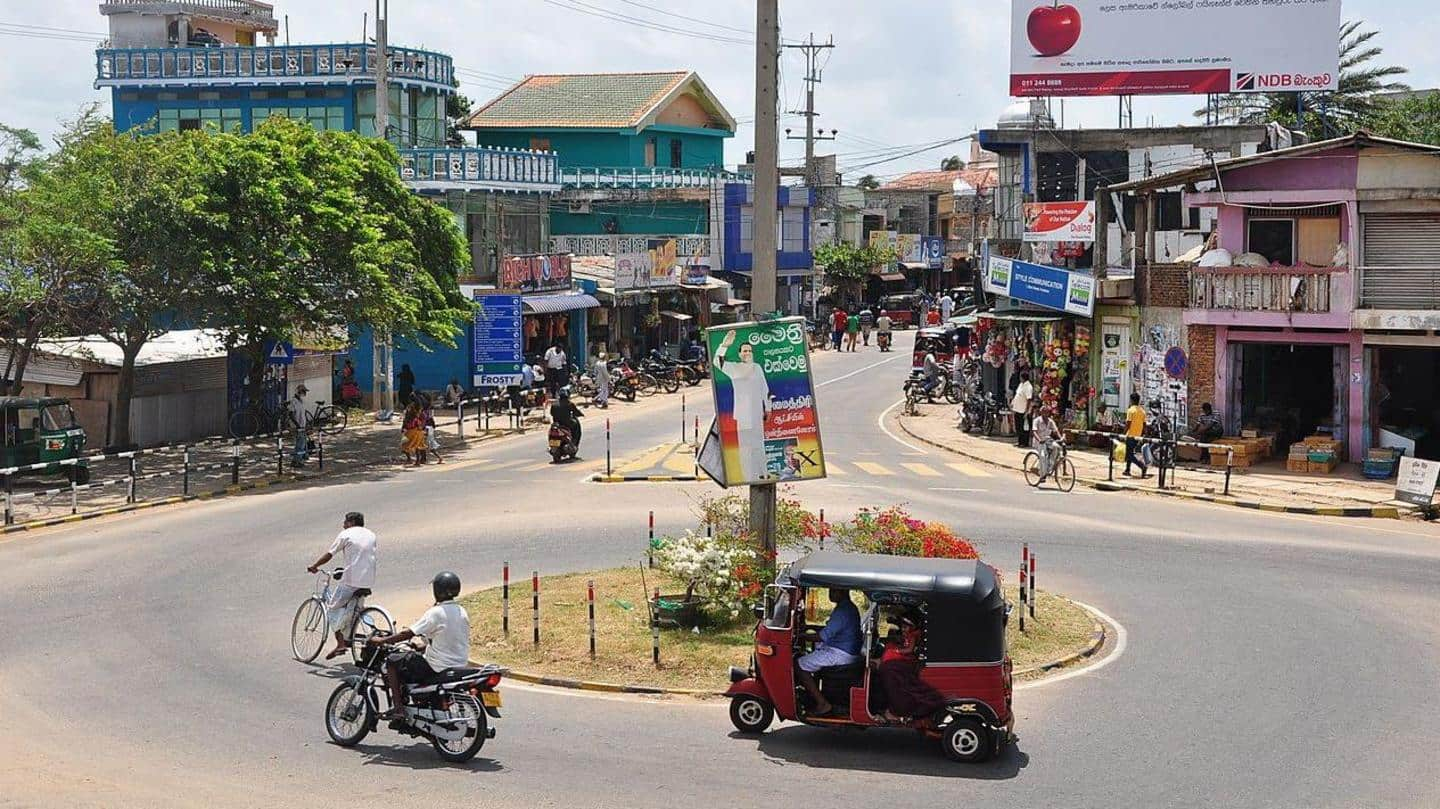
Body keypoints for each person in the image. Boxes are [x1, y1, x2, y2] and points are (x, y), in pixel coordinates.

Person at [368, 571, 471, 720]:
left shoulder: (436, 612)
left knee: (392, 660)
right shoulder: (462, 611)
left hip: (436, 667)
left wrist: (382, 641)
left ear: (437, 591)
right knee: (411, 659)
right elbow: (448, 638)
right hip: (459, 665)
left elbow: (408, 634)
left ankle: (398, 709)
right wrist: (422, 647)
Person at [306, 512, 378, 661]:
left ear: (351, 522)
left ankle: (340, 643)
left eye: (345, 522)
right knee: (354, 610)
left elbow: (329, 554)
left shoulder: (346, 534)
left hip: (351, 580)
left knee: (332, 608)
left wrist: (315, 566)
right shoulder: (371, 534)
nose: (343, 525)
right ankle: (351, 635)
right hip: (368, 580)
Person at [714, 329, 772, 482]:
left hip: (756, 413)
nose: (747, 353)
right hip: (742, 415)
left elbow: (764, 389)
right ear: (739, 354)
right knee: (745, 448)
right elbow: (717, 361)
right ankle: (748, 477)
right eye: (744, 351)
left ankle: (763, 474)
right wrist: (724, 345)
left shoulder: (757, 368)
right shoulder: (734, 368)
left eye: (749, 350)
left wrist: (768, 408)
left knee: (759, 444)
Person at [796, 589, 863, 716]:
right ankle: (815, 697)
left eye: (834, 591)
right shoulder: (847, 607)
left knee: (800, 664)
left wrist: (799, 636)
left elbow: (822, 637)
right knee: (813, 655)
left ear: (842, 592)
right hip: (845, 649)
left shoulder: (842, 611)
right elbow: (831, 630)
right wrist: (809, 629)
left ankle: (822, 703)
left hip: (841, 652)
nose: (830, 594)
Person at [874, 612, 946, 723]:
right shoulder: (908, 635)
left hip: (909, 659)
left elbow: (909, 650)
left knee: (889, 667)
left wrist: (897, 650)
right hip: (908, 657)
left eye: (905, 627)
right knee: (889, 652)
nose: (903, 629)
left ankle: (897, 709)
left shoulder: (912, 636)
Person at [1032, 410, 1063, 483]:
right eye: (1044, 412)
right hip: (1039, 442)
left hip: (1048, 441)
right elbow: (1034, 431)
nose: (1046, 414)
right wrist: (1039, 440)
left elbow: (1056, 431)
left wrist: (1060, 438)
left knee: (1056, 448)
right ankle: (1042, 475)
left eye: (1047, 412)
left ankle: (1049, 468)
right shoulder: (1037, 420)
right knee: (1043, 456)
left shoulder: (1050, 421)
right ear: (1041, 413)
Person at [549, 388, 584, 452]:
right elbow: (576, 412)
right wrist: (581, 414)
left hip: (557, 424)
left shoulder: (554, 404)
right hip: (567, 423)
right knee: (576, 426)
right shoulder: (569, 403)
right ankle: (574, 443)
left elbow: (551, 413)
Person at [1124, 392, 1149, 478]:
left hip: (1130, 435)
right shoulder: (1142, 411)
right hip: (1138, 436)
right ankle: (1127, 470)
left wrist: (1123, 434)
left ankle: (1142, 466)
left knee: (1129, 454)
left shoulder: (1131, 410)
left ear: (1131, 400)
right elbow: (1145, 425)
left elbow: (1128, 424)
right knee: (1130, 452)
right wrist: (1145, 434)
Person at [1011, 371, 1034, 447]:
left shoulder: (1028, 387)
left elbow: (1029, 399)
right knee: (1018, 427)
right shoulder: (1021, 385)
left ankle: (1025, 442)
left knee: (1024, 427)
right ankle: (1020, 441)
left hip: (1023, 410)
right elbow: (1017, 394)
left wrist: (1027, 411)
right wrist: (1013, 402)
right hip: (1017, 409)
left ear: (1023, 377)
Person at [289, 384, 310, 467]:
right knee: (300, 444)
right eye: (303, 391)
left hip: (302, 425)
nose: (304, 393)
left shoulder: (301, 401)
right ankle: (298, 461)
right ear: (299, 392)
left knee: (302, 443)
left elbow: (303, 414)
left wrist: (306, 423)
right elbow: (291, 414)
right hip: (297, 426)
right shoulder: (293, 401)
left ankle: (296, 460)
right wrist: (297, 425)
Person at [422, 399, 443, 465]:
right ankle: (424, 458)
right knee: (427, 445)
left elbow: (424, 422)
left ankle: (438, 457)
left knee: (424, 444)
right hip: (430, 428)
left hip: (427, 428)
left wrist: (424, 429)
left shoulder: (424, 413)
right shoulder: (428, 413)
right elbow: (432, 423)